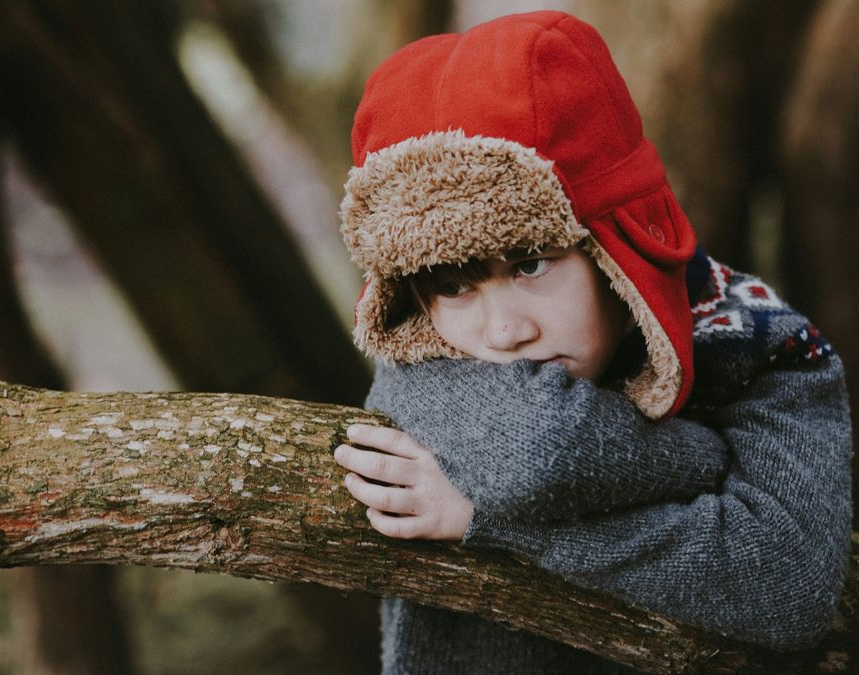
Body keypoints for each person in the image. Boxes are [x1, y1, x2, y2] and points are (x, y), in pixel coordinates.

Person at [331, 10, 853, 674]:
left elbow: (786, 586)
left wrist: (491, 515)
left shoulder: (766, 349)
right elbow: (539, 450)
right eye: (455, 284)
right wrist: (702, 459)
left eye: (529, 264)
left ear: (614, 245)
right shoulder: (423, 347)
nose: (503, 331)